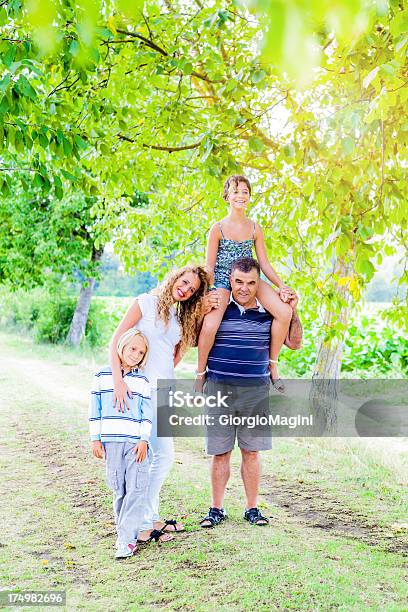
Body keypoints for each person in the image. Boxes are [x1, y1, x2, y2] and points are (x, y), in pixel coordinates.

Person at [110, 265, 216, 544]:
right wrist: (119, 381)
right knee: (158, 456)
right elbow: (115, 341)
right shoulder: (145, 302)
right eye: (184, 282)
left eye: (192, 289)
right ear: (175, 278)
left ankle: (151, 516)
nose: (185, 289)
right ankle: (142, 522)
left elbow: (173, 355)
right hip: (142, 393)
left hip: (164, 391)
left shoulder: (178, 318)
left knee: (159, 456)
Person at [200, 257, 298, 529]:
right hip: (219, 387)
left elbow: (296, 342)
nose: (244, 288)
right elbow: (195, 335)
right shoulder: (217, 308)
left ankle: (252, 508)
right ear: (230, 280)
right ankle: (216, 508)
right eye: (239, 282)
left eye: (252, 282)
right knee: (220, 453)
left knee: (251, 452)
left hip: (255, 390)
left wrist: (293, 309)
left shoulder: (270, 311)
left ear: (259, 283)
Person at [195, 175, 298, 394]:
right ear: (227, 197)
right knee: (211, 325)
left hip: (250, 277)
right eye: (236, 191)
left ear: (249, 197)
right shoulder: (217, 229)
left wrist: (281, 285)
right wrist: (208, 290)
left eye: (245, 192)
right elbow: (209, 266)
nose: (241, 196)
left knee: (284, 311)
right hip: (223, 278)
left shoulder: (255, 228)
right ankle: (200, 374)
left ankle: (273, 365)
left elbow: (265, 263)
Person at [89, 329, 152, 558]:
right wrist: (95, 438)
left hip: (135, 444)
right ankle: (123, 533)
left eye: (141, 352)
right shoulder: (102, 376)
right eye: (132, 349)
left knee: (136, 489)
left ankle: (126, 540)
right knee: (120, 489)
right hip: (111, 442)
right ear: (121, 347)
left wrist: (144, 440)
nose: (136, 354)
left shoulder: (142, 381)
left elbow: (147, 414)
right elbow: (94, 410)